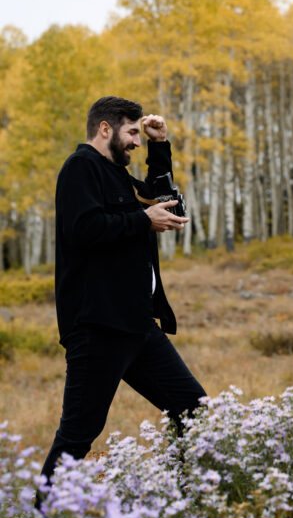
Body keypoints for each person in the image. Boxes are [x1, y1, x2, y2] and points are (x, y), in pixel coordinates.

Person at [39, 95, 206, 490]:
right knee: (79, 434)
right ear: (105, 128)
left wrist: (159, 144)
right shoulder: (81, 169)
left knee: (195, 411)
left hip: (137, 324)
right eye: (131, 132)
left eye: (138, 134)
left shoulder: (118, 175)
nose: (134, 140)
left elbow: (158, 199)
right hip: (98, 327)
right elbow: (83, 230)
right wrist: (142, 220)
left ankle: (185, 499)